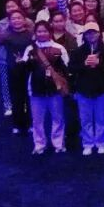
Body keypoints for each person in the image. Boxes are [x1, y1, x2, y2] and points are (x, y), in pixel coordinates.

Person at [21, 21, 71, 155]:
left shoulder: (59, 48)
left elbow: (66, 68)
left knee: (58, 118)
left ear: (50, 32)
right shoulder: (30, 49)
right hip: (36, 90)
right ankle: (39, 145)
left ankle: (59, 144)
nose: (42, 33)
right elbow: (25, 69)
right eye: (39, 31)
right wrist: (24, 63)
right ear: (35, 33)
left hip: (55, 90)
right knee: (37, 120)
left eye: (44, 31)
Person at [68, 22, 104, 156]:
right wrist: (84, 64)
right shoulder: (78, 52)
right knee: (85, 118)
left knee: (101, 118)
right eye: (88, 33)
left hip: (101, 89)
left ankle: (101, 142)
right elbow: (71, 69)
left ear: (99, 34)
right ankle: (88, 143)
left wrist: (99, 63)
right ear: (84, 35)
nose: (91, 35)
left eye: (94, 32)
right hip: (83, 90)